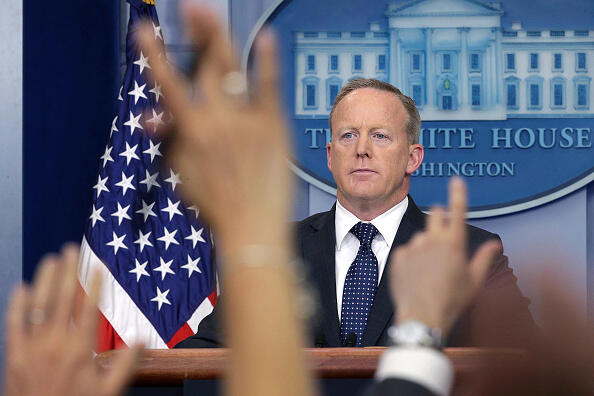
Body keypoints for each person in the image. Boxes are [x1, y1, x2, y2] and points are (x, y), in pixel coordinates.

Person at [176, 79, 536, 348]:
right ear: (331, 156)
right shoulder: (277, 249)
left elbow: (524, 364)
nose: (362, 149)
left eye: (380, 136)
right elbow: (204, 357)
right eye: (348, 135)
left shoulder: (471, 253)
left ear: (413, 157)